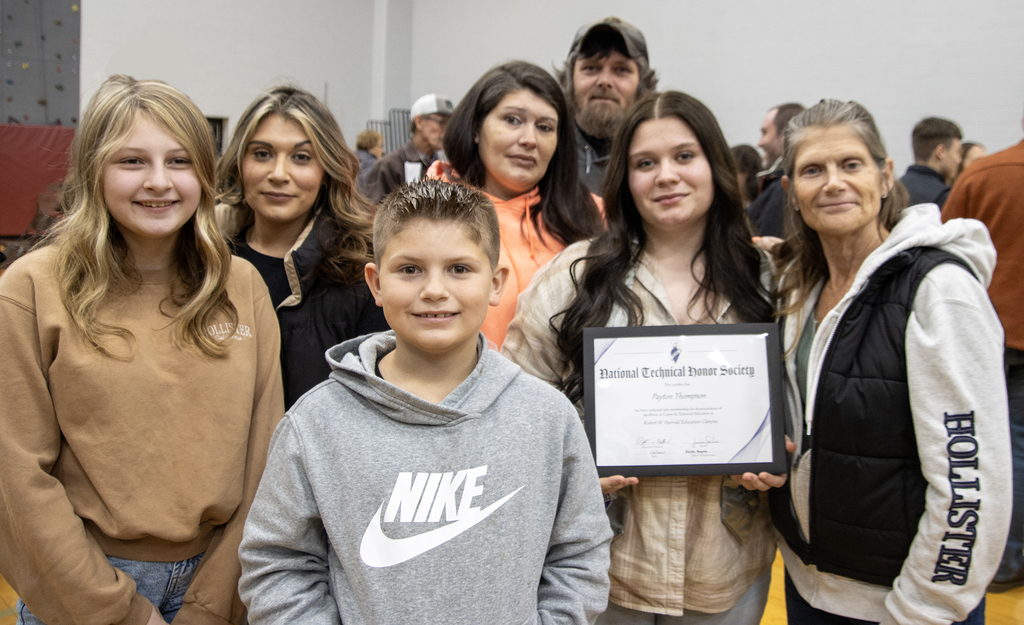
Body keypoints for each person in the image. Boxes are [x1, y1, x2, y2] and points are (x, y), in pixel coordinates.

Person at [238, 179, 613, 623]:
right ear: (376, 284)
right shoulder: (316, 424)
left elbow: (580, 556)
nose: (434, 290)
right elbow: (277, 564)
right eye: (410, 269)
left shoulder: (549, 419)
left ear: (495, 284)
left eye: (459, 269)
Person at [0, 75, 284, 624]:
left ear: (204, 173)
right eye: (131, 161)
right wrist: (118, 613)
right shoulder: (31, 289)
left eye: (179, 162)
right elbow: (16, 479)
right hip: (80, 587)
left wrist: (213, 605)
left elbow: (264, 464)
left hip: (223, 581)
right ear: (93, 171)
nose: (159, 182)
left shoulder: (242, 285)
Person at [504, 91, 780, 623]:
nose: (666, 176)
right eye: (645, 163)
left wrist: (777, 448)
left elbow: (798, 398)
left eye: (684, 156)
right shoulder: (576, 274)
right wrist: (572, 467)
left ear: (714, 164)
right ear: (624, 180)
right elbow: (516, 405)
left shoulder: (768, 275)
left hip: (723, 569)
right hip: (603, 570)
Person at [770, 99, 1008, 624]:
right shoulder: (796, 291)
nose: (833, 183)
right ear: (791, 192)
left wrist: (925, 607)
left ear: (884, 176)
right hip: (810, 587)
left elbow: (971, 480)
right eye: (813, 170)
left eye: (850, 165)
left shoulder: (939, 292)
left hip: (907, 604)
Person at [216, 86, 388, 408]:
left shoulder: (363, 273)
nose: (279, 174)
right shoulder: (206, 258)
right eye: (262, 154)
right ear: (240, 163)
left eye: (301, 157)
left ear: (326, 170)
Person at [427, 60, 603, 347]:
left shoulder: (594, 215)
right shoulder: (425, 212)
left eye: (545, 127)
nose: (529, 139)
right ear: (475, 128)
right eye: (512, 120)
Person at [943, 113, 1024, 593]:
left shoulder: (985, 173)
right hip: (997, 335)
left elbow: (941, 243)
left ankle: (1007, 558)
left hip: (990, 332)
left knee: (999, 448)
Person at [556, 16, 658, 193]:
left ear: (644, 84)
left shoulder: (660, 149)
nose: (604, 81)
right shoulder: (546, 147)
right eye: (591, 68)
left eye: (621, 70)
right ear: (568, 79)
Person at [365, 93, 454, 203]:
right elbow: (374, 213)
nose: (446, 130)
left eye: (450, 124)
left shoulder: (444, 168)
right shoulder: (390, 166)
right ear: (419, 122)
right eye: (442, 122)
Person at [747, 103, 805, 237]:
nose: (760, 143)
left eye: (765, 132)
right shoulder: (777, 185)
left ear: (786, 136)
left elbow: (770, 247)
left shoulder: (782, 189)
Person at [899, 116, 963, 209]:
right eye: (957, 152)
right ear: (941, 152)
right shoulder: (943, 198)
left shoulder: (893, 190)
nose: (959, 160)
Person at [355, 128, 384, 193]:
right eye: (380, 146)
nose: (382, 150)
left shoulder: (350, 160)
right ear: (370, 148)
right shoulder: (376, 165)